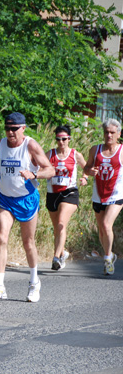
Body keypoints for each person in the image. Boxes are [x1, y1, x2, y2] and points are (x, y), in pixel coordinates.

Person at [0, 112, 55, 303]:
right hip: (5, 199)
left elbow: (50, 169)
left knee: (28, 243)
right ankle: (0, 286)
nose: (10, 132)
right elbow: (1, 166)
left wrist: (34, 175)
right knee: (1, 237)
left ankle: (34, 283)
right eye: (7, 128)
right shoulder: (1, 144)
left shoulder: (30, 145)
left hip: (26, 199)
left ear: (23, 128)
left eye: (14, 129)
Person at [45, 125, 88, 271]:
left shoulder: (76, 154)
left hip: (70, 192)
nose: (61, 142)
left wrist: (85, 178)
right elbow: (39, 167)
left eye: (64, 139)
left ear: (69, 139)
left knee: (62, 222)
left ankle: (56, 257)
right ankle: (63, 253)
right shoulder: (49, 154)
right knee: (56, 228)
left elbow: (86, 168)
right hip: (52, 193)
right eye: (58, 139)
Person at [84, 118, 123, 276]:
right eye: (106, 132)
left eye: (112, 132)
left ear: (119, 134)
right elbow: (86, 167)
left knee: (107, 224)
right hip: (98, 194)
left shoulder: (121, 150)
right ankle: (111, 254)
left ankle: (107, 259)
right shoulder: (95, 150)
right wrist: (89, 171)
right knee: (102, 229)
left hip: (117, 194)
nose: (109, 135)